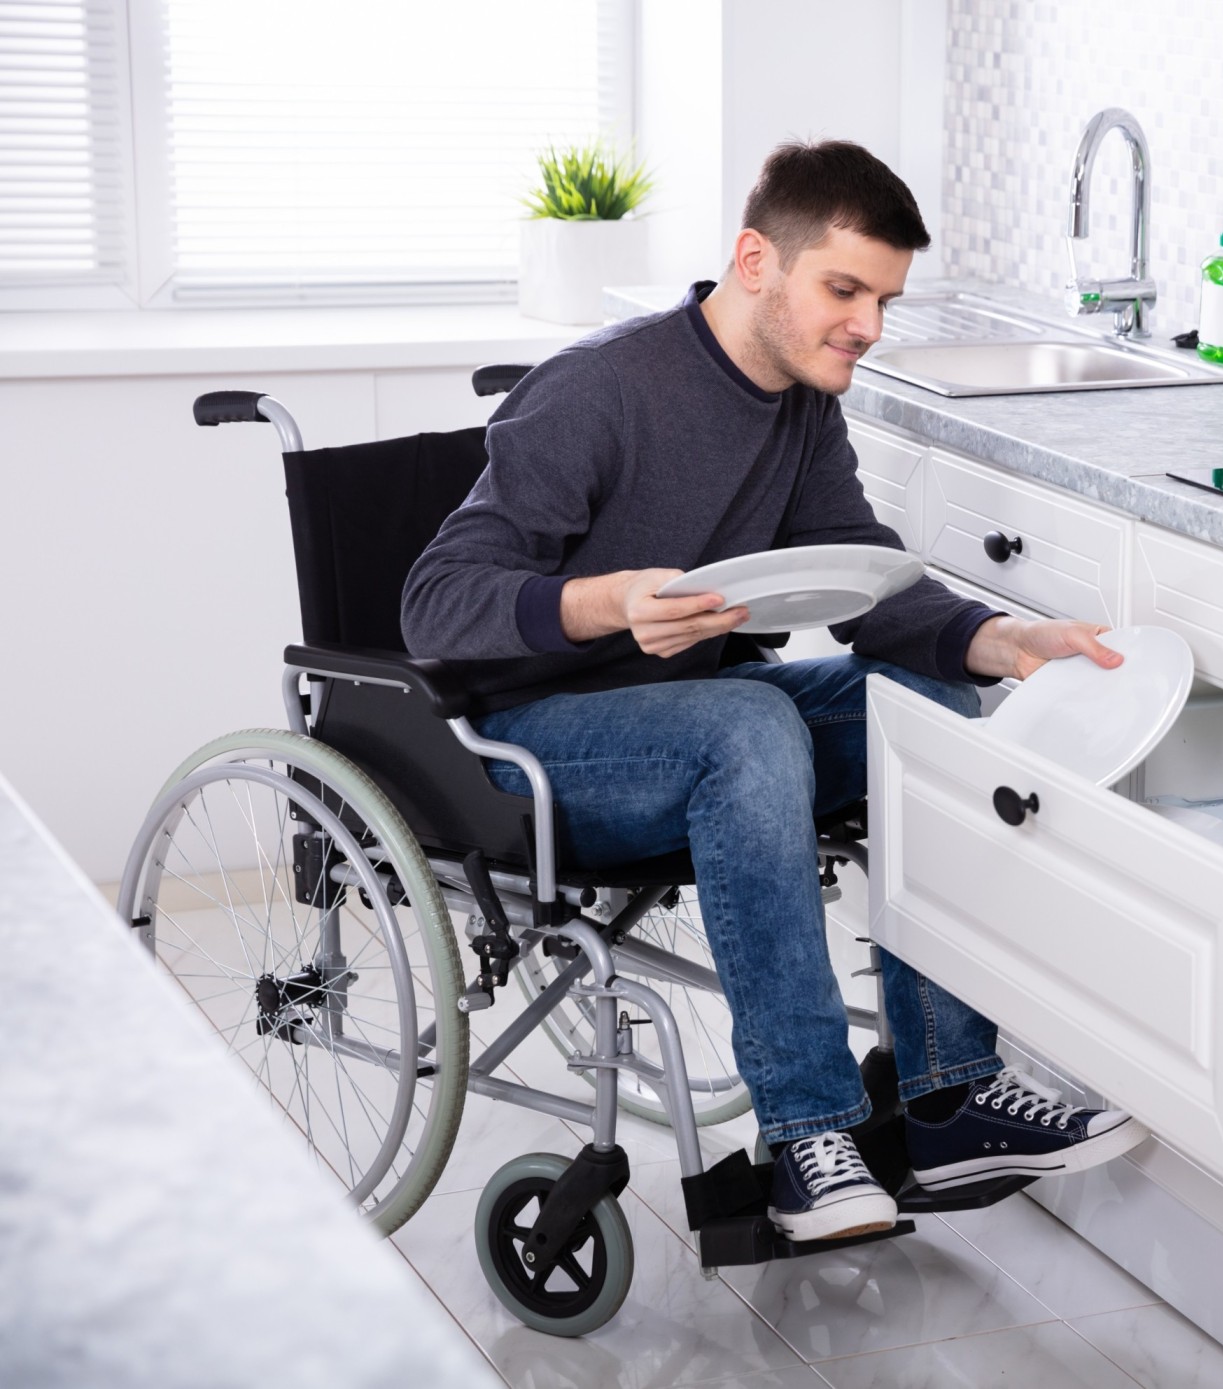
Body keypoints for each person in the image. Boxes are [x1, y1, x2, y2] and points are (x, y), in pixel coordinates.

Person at [402, 141, 1149, 1243]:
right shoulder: (600, 391)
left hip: (695, 719)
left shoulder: (800, 406)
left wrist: (1004, 639)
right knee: (749, 719)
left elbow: (868, 581)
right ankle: (809, 1134)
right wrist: (605, 604)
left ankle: (945, 1099)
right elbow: (435, 602)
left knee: (920, 700)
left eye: (884, 300)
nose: (868, 326)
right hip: (530, 744)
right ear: (757, 260)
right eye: (843, 290)